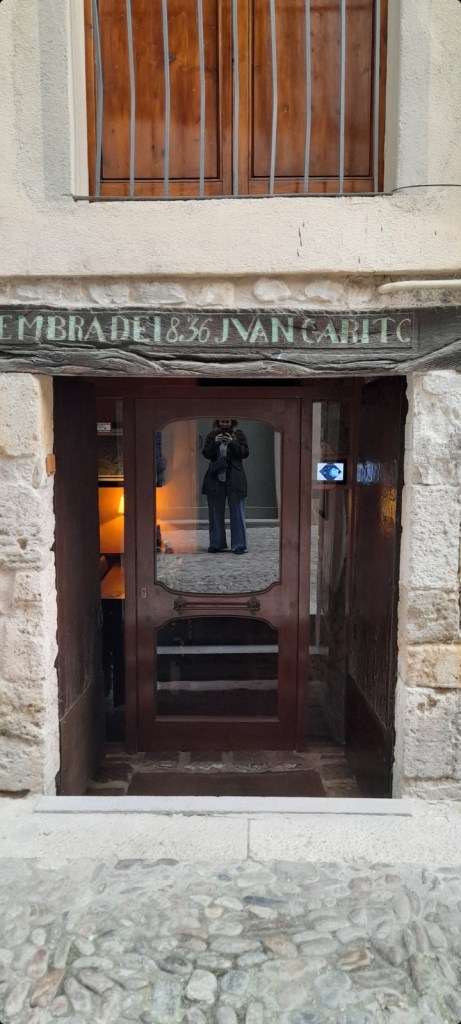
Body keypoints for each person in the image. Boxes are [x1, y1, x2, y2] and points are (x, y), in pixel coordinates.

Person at [202, 418, 249, 554]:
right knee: (215, 512)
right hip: (215, 478)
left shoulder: (239, 435)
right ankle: (216, 543)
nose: (225, 425)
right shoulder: (212, 435)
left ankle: (239, 545)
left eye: (227, 422)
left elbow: (245, 453)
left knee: (237, 512)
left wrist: (232, 443)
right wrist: (215, 443)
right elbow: (206, 453)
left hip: (235, 478)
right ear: (218, 422)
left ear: (232, 422)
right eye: (222, 422)